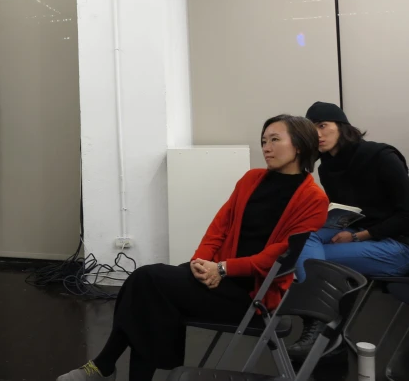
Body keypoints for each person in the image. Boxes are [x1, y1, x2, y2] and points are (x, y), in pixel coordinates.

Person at [57, 115, 329, 381]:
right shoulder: (251, 179)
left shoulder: (313, 198)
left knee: (147, 282)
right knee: (148, 293)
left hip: (252, 294)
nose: (266, 147)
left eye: (274, 140)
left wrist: (222, 269)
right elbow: (219, 227)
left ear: (299, 145)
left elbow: (279, 255)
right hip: (218, 277)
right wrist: (201, 263)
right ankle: (106, 366)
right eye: (263, 140)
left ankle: (104, 365)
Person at [287, 102, 409, 357]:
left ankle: (320, 325)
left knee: (307, 260)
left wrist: (358, 236)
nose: (317, 134)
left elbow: (406, 213)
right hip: (360, 234)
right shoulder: (327, 168)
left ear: (341, 126)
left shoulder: (381, 156)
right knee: (299, 235)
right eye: (311, 129)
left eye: (322, 126)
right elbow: (350, 211)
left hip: (398, 245)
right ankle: (324, 324)